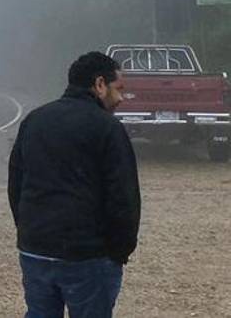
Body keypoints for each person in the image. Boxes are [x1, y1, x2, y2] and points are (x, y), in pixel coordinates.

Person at [8, 51, 141, 318]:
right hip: (87, 255)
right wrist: (119, 251)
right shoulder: (107, 127)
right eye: (119, 89)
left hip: (35, 249)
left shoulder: (35, 120)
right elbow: (124, 197)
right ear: (100, 84)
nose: (121, 98)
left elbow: (16, 185)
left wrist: (28, 230)